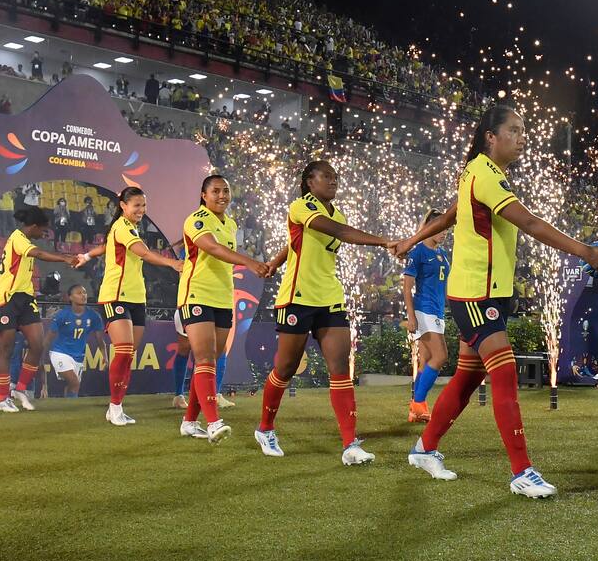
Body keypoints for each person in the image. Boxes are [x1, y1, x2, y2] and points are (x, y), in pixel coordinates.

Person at [393, 104, 598, 497]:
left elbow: (451, 216)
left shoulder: (479, 174)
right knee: (505, 373)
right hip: (477, 293)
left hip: (489, 293)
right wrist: (585, 250)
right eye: (514, 130)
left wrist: (410, 239)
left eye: (523, 130)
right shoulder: (484, 173)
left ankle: (424, 448)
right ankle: (522, 471)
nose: (522, 136)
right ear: (491, 137)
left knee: (468, 376)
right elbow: (529, 223)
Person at [255, 161, 394, 463]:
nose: (333, 181)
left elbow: (295, 242)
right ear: (309, 181)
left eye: (335, 177)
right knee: (286, 368)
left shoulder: (337, 212)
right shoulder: (300, 206)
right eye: (326, 176)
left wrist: (275, 262)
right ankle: (265, 428)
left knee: (340, 368)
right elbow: (337, 232)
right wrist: (383, 241)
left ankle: (350, 444)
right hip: (298, 297)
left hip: (329, 297)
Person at [75, 187, 183, 425]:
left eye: (144, 206)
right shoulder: (122, 226)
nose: (141, 210)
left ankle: (117, 407)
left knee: (128, 354)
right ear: (123, 205)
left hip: (137, 298)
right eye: (136, 205)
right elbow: (143, 253)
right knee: (123, 351)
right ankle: (114, 407)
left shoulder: (128, 228)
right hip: (116, 296)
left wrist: (88, 256)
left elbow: (107, 247)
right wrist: (172, 263)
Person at [177, 175, 269, 444]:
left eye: (226, 191)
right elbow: (212, 248)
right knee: (204, 359)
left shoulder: (229, 223)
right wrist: (250, 262)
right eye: (215, 191)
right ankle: (214, 422)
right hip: (197, 295)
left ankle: (189, 421)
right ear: (203, 195)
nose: (222, 195)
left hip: (222, 298)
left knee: (209, 363)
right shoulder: (196, 219)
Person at [0, 209, 76, 412]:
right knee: (6, 350)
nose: (44, 234)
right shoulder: (17, 238)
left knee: (37, 346)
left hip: (26, 298)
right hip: (6, 299)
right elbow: (37, 253)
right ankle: (3, 398)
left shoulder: (25, 239)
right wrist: (64, 258)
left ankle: (20, 389)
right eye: (43, 230)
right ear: (34, 227)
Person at [402, 209, 451, 424]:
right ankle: (419, 403)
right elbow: (407, 287)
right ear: (429, 229)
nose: (444, 234)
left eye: (447, 231)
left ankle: (415, 409)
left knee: (426, 360)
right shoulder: (418, 253)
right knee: (441, 356)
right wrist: (411, 316)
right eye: (441, 229)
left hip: (437, 311)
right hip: (424, 310)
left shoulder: (443, 254)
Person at [43, 284, 104, 398]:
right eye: (79, 293)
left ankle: (68, 408)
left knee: (73, 386)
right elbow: (48, 338)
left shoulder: (94, 316)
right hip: (59, 353)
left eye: (84, 292)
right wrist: (41, 356)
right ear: (70, 297)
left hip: (78, 356)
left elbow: (100, 339)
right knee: (74, 382)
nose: (83, 295)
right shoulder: (62, 315)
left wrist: (104, 355)